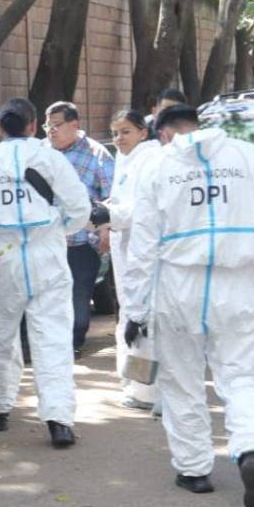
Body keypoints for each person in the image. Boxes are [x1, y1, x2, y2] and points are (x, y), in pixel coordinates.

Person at [123, 104, 254, 507]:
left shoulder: (157, 167)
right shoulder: (247, 156)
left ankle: (194, 469)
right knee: (246, 376)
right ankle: (252, 449)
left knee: (181, 380)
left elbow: (143, 245)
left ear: (165, 133)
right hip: (239, 283)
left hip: (177, 287)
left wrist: (135, 310)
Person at [0, 98, 91, 446]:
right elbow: (79, 208)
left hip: (1, 256)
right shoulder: (51, 159)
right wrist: (56, 230)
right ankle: (59, 420)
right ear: (34, 125)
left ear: (0, 127)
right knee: (53, 338)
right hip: (46, 254)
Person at [94, 109, 160, 410]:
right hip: (126, 249)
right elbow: (122, 203)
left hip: (142, 251)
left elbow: (141, 210)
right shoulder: (127, 160)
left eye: (126, 132)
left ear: (143, 132)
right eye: (115, 133)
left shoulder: (149, 161)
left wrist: (110, 215)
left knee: (142, 318)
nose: (119, 138)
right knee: (129, 316)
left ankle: (146, 391)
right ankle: (134, 385)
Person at [45, 100, 114, 356]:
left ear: (74, 125)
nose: (50, 131)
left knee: (77, 295)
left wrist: (105, 227)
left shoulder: (96, 154)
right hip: (46, 241)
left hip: (82, 242)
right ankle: (51, 344)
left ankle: (72, 343)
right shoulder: (41, 153)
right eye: (47, 126)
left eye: (56, 125)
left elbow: (112, 195)